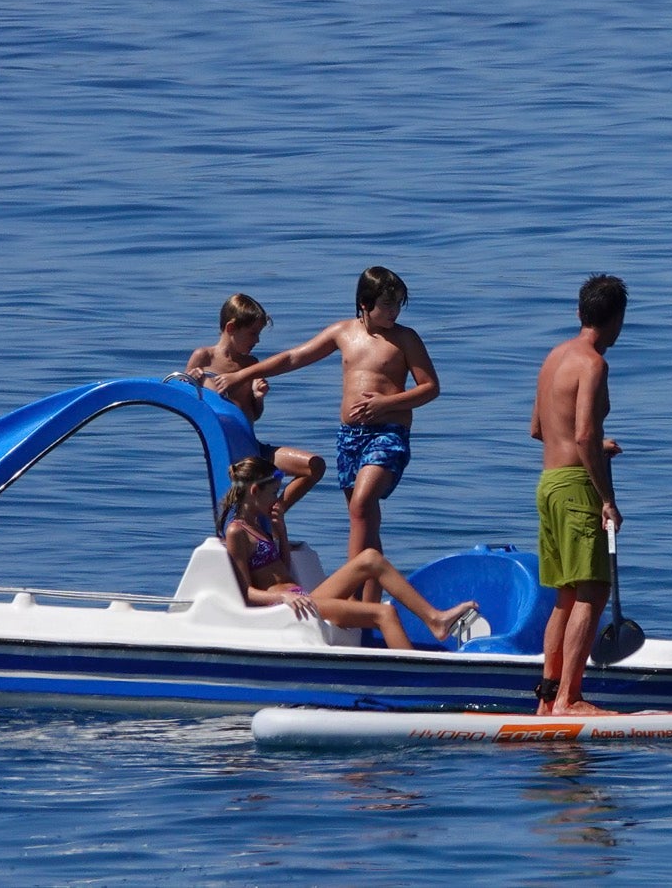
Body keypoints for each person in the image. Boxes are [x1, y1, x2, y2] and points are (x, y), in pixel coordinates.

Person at [212, 267, 438, 602]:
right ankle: (366, 611)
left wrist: (386, 404)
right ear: (365, 303)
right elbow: (292, 357)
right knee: (365, 521)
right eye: (387, 306)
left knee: (362, 504)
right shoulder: (342, 333)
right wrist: (244, 374)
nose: (393, 313)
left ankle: (346, 594)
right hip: (350, 438)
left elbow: (430, 388)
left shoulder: (405, 339)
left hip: (388, 433)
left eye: (397, 306)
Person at [218, 456, 477, 649]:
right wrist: (284, 599)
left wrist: (281, 533)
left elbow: (282, 570)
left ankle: (435, 619)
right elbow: (246, 592)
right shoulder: (236, 532)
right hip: (286, 607)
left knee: (370, 558)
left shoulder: (259, 525)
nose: (277, 500)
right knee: (384, 613)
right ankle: (418, 682)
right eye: (274, 494)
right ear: (254, 491)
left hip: (303, 597)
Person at [529, 274, 627, 716]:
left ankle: (548, 701)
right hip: (574, 488)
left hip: (548, 483)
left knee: (565, 596)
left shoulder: (554, 357)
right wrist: (607, 498)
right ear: (617, 321)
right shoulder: (593, 364)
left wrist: (589, 446)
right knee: (592, 591)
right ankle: (570, 698)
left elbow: (538, 429)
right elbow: (585, 433)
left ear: (579, 313)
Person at [186, 293, 326, 514]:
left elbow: (253, 415)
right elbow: (187, 405)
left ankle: (276, 510)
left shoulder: (251, 364)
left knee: (314, 466)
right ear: (231, 328)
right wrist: (192, 381)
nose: (257, 341)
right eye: (252, 334)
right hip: (229, 453)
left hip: (254, 449)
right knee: (251, 495)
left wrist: (258, 398)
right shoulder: (203, 358)